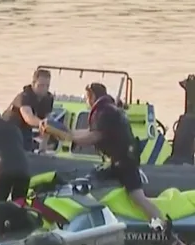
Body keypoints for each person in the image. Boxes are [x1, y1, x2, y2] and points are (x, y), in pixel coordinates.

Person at [67, 83, 169, 233]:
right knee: (93, 180)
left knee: (138, 197)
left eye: (86, 97)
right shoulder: (108, 109)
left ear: (92, 96)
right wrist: (69, 134)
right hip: (118, 161)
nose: (86, 101)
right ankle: (99, 220)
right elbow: (90, 131)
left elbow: (94, 136)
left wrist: (69, 137)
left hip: (124, 162)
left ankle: (162, 226)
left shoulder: (104, 112)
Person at [4, 68, 56, 150]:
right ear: (33, 84)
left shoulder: (48, 98)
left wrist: (43, 145)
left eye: (47, 86)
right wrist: (42, 123)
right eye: (41, 85)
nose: (44, 89)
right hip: (9, 128)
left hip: (26, 129)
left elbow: (47, 122)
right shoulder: (25, 96)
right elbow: (28, 117)